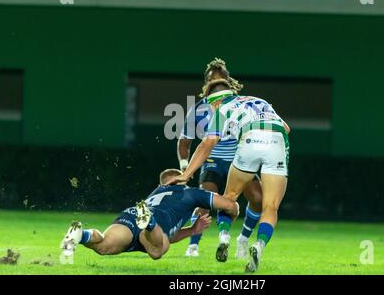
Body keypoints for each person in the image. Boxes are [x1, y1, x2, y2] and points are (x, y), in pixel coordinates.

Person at [168, 80, 290, 273]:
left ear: (215, 101)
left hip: (250, 139)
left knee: (229, 197)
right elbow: (286, 127)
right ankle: (259, 245)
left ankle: (224, 235)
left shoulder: (222, 108)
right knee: (270, 206)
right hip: (278, 140)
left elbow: (206, 145)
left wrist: (186, 174)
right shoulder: (258, 100)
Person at [178, 58, 262, 259]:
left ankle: (242, 238)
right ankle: (193, 245)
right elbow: (184, 142)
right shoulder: (198, 109)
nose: (215, 81)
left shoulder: (242, 105)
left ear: (227, 81)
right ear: (206, 85)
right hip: (212, 161)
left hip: (240, 161)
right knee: (205, 201)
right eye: (210, 79)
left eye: (219, 78)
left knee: (259, 199)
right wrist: (184, 167)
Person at [60, 169, 239, 261]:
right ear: (179, 179)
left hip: (132, 213)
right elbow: (228, 205)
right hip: (158, 220)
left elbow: (169, 233)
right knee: (156, 251)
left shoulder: (156, 192)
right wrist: (234, 210)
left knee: (104, 246)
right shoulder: (190, 192)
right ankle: (149, 223)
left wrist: (192, 231)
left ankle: (80, 233)